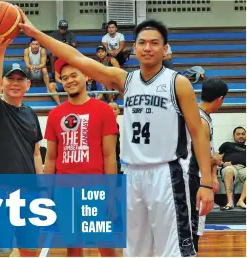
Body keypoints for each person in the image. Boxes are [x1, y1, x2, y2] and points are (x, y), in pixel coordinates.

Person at [18, 14, 214, 257]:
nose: (148, 47)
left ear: (165, 49)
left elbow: (198, 133)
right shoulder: (126, 80)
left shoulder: (178, 83)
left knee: (172, 250)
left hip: (167, 173)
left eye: (154, 43)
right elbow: (75, 57)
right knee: (135, 251)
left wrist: (206, 181)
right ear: (135, 48)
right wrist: (36, 34)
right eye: (142, 42)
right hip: (132, 175)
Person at [43, 58, 118, 257]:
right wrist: (45, 193)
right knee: (72, 247)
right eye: (64, 78)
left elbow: (110, 156)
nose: (69, 81)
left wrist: (111, 194)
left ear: (86, 75)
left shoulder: (103, 110)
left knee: (106, 246)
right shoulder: (55, 115)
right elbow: (50, 158)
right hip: (64, 190)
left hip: (95, 188)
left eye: (74, 75)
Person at [0, 35, 43, 257]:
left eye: (20, 79)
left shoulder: (31, 114)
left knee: (30, 250)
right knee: (2, 251)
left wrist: (42, 187)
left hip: (28, 191)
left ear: (28, 84)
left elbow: (36, 153)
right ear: (2, 83)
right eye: (10, 79)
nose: (15, 83)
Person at [188, 77, 228, 254]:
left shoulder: (205, 117)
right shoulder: (198, 120)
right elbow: (197, 156)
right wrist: (214, 161)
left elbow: (208, 153)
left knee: (197, 227)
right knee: (192, 228)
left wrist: (212, 176)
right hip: (192, 179)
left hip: (201, 178)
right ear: (220, 99)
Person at [219, 126, 246, 210]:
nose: (241, 136)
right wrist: (222, 164)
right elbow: (218, 157)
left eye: (243, 134)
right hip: (230, 167)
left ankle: (241, 201)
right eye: (238, 134)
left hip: (243, 168)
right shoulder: (227, 145)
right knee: (229, 171)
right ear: (234, 136)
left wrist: (233, 162)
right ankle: (230, 202)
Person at [108, 102, 121, 174]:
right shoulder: (103, 125)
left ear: (119, 111)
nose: (112, 111)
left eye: (115, 109)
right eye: (110, 109)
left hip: (116, 159)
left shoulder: (117, 125)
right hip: (109, 162)